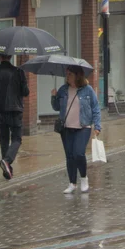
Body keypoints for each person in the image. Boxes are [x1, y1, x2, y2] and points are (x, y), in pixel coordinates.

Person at [53, 65, 102, 193]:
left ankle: (84, 178)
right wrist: (54, 96)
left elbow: (96, 108)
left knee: (78, 153)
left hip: (83, 126)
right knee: (69, 156)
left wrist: (97, 126)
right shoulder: (63, 90)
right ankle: (72, 183)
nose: (67, 76)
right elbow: (56, 107)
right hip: (66, 128)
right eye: (67, 74)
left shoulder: (88, 90)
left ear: (77, 75)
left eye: (70, 74)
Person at [0, 52, 28, 180]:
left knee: (3, 140)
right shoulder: (19, 72)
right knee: (17, 139)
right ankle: (7, 161)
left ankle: (7, 170)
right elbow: (25, 92)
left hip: (0, 111)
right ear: (10, 56)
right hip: (15, 110)